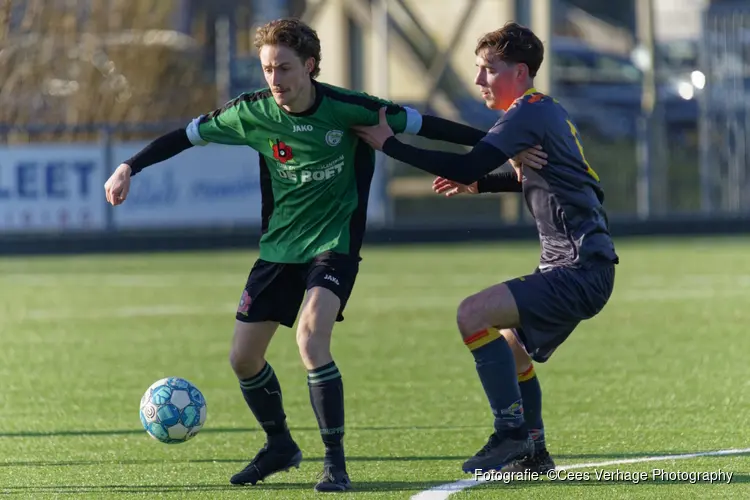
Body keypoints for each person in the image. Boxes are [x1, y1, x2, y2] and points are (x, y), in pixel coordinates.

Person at [103, 17, 547, 491]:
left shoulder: (350, 109)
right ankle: (280, 445)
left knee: (311, 339)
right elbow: (184, 137)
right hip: (278, 249)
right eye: (268, 69)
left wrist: (503, 147)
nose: (275, 79)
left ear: (310, 66)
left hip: (333, 246)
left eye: (285, 68)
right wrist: (130, 166)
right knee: (242, 359)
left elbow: (428, 125)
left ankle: (335, 462)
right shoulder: (250, 113)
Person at [353, 21, 619, 474]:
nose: (479, 80)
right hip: (580, 266)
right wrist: (484, 185)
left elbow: (468, 162)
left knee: (471, 314)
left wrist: (390, 145)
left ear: (520, 71)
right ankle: (534, 452)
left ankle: (510, 433)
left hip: (578, 269)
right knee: (511, 350)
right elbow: (567, 183)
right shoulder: (542, 112)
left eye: (488, 70)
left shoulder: (528, 114)